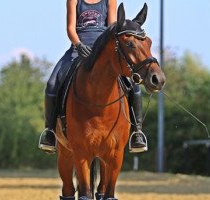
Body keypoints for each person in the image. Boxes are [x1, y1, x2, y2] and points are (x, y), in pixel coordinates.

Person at [38, 0, 148, 154]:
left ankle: (137, 132)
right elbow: (70, 28)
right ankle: (49, 131)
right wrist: (79, 45)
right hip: (78, 49)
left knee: (133, 86)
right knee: (52, 83)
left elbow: (112, 28)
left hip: (103, 50)